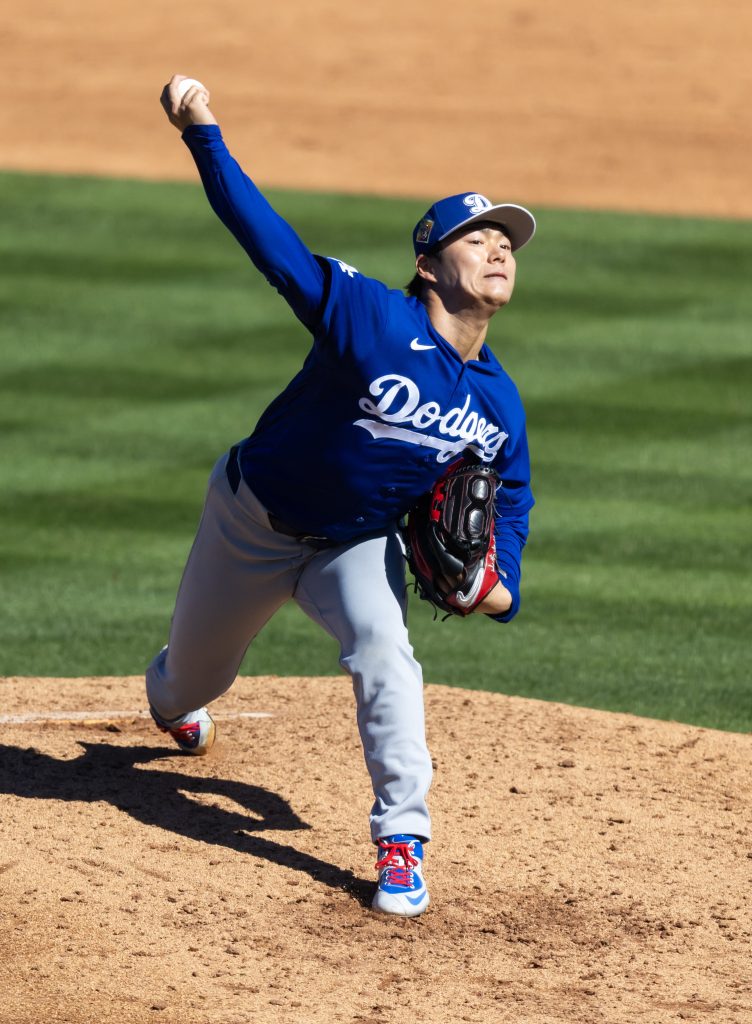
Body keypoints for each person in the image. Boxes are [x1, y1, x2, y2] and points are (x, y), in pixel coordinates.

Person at [146, 74, 536, 918]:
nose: (499, 249)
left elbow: (512, 496)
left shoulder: (497, 401)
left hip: (355, 545)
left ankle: (403, 841)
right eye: (476, 238)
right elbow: (270, 243)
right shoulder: (368, 316)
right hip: (250, 521)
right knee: (189, 685)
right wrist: (202, 132)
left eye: (507, 240)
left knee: (387, 655)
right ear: (428, 265)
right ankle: (173, 696)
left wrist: (499, 586)